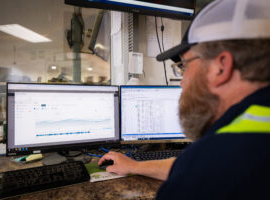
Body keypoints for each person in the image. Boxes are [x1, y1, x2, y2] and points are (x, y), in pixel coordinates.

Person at [99, 0, 270, 199]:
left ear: (221, 67)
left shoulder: (222, 156)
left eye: (184, 66)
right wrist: (135, 166)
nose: (182, 82)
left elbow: (203, 165)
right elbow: (194, 164)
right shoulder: (222, 155)